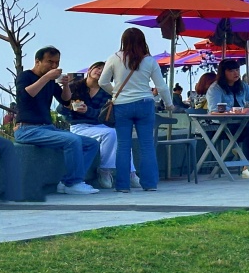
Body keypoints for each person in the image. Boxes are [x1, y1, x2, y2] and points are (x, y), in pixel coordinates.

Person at [15, 46, 100, 194]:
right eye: (50, 62)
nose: (54, 66)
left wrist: (66, 85)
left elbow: (66, 101)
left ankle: (69, 180)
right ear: (37, 61)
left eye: (57, 62)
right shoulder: (25, 76)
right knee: (72, 141)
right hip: (27, 129)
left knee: (91, 144)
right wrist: (47, 77)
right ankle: (72, 184)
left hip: (46, 128)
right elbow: (26, 96)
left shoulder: (50, 82)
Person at [99, 28, 173, 192]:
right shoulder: (149, 61)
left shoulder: (114, 58)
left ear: (123, 40)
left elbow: (102, 82)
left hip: (122, 105)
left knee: (123, 146)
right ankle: (150, 184)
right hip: (145, 104)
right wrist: (169, 104)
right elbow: (161, 86)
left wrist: (116, 92)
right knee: (147, 145)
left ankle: (123, 185)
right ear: (142, 40)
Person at [57, 61, 141, 189]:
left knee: (121, 137)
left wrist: (87, 111)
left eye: (104, 70)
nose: (100, 71)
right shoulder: (75, 87)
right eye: (97, 68)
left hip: (100, 126)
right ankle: (105, 170)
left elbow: (105, 115)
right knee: (111, 133)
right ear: (90, 70)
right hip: (79, 127)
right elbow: (60, 109)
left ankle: (130, 173)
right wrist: (71, 107)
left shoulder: (107, 92)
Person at [207, 58, 249, 177]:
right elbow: (214, 111)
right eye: (231, 70)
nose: (236, 73)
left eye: (237, 70)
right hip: (221, 125)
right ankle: (247, 168)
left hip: (241, 122)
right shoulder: (215, 89)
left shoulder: (242, 86)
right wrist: (237, 112)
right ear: (223, 72)